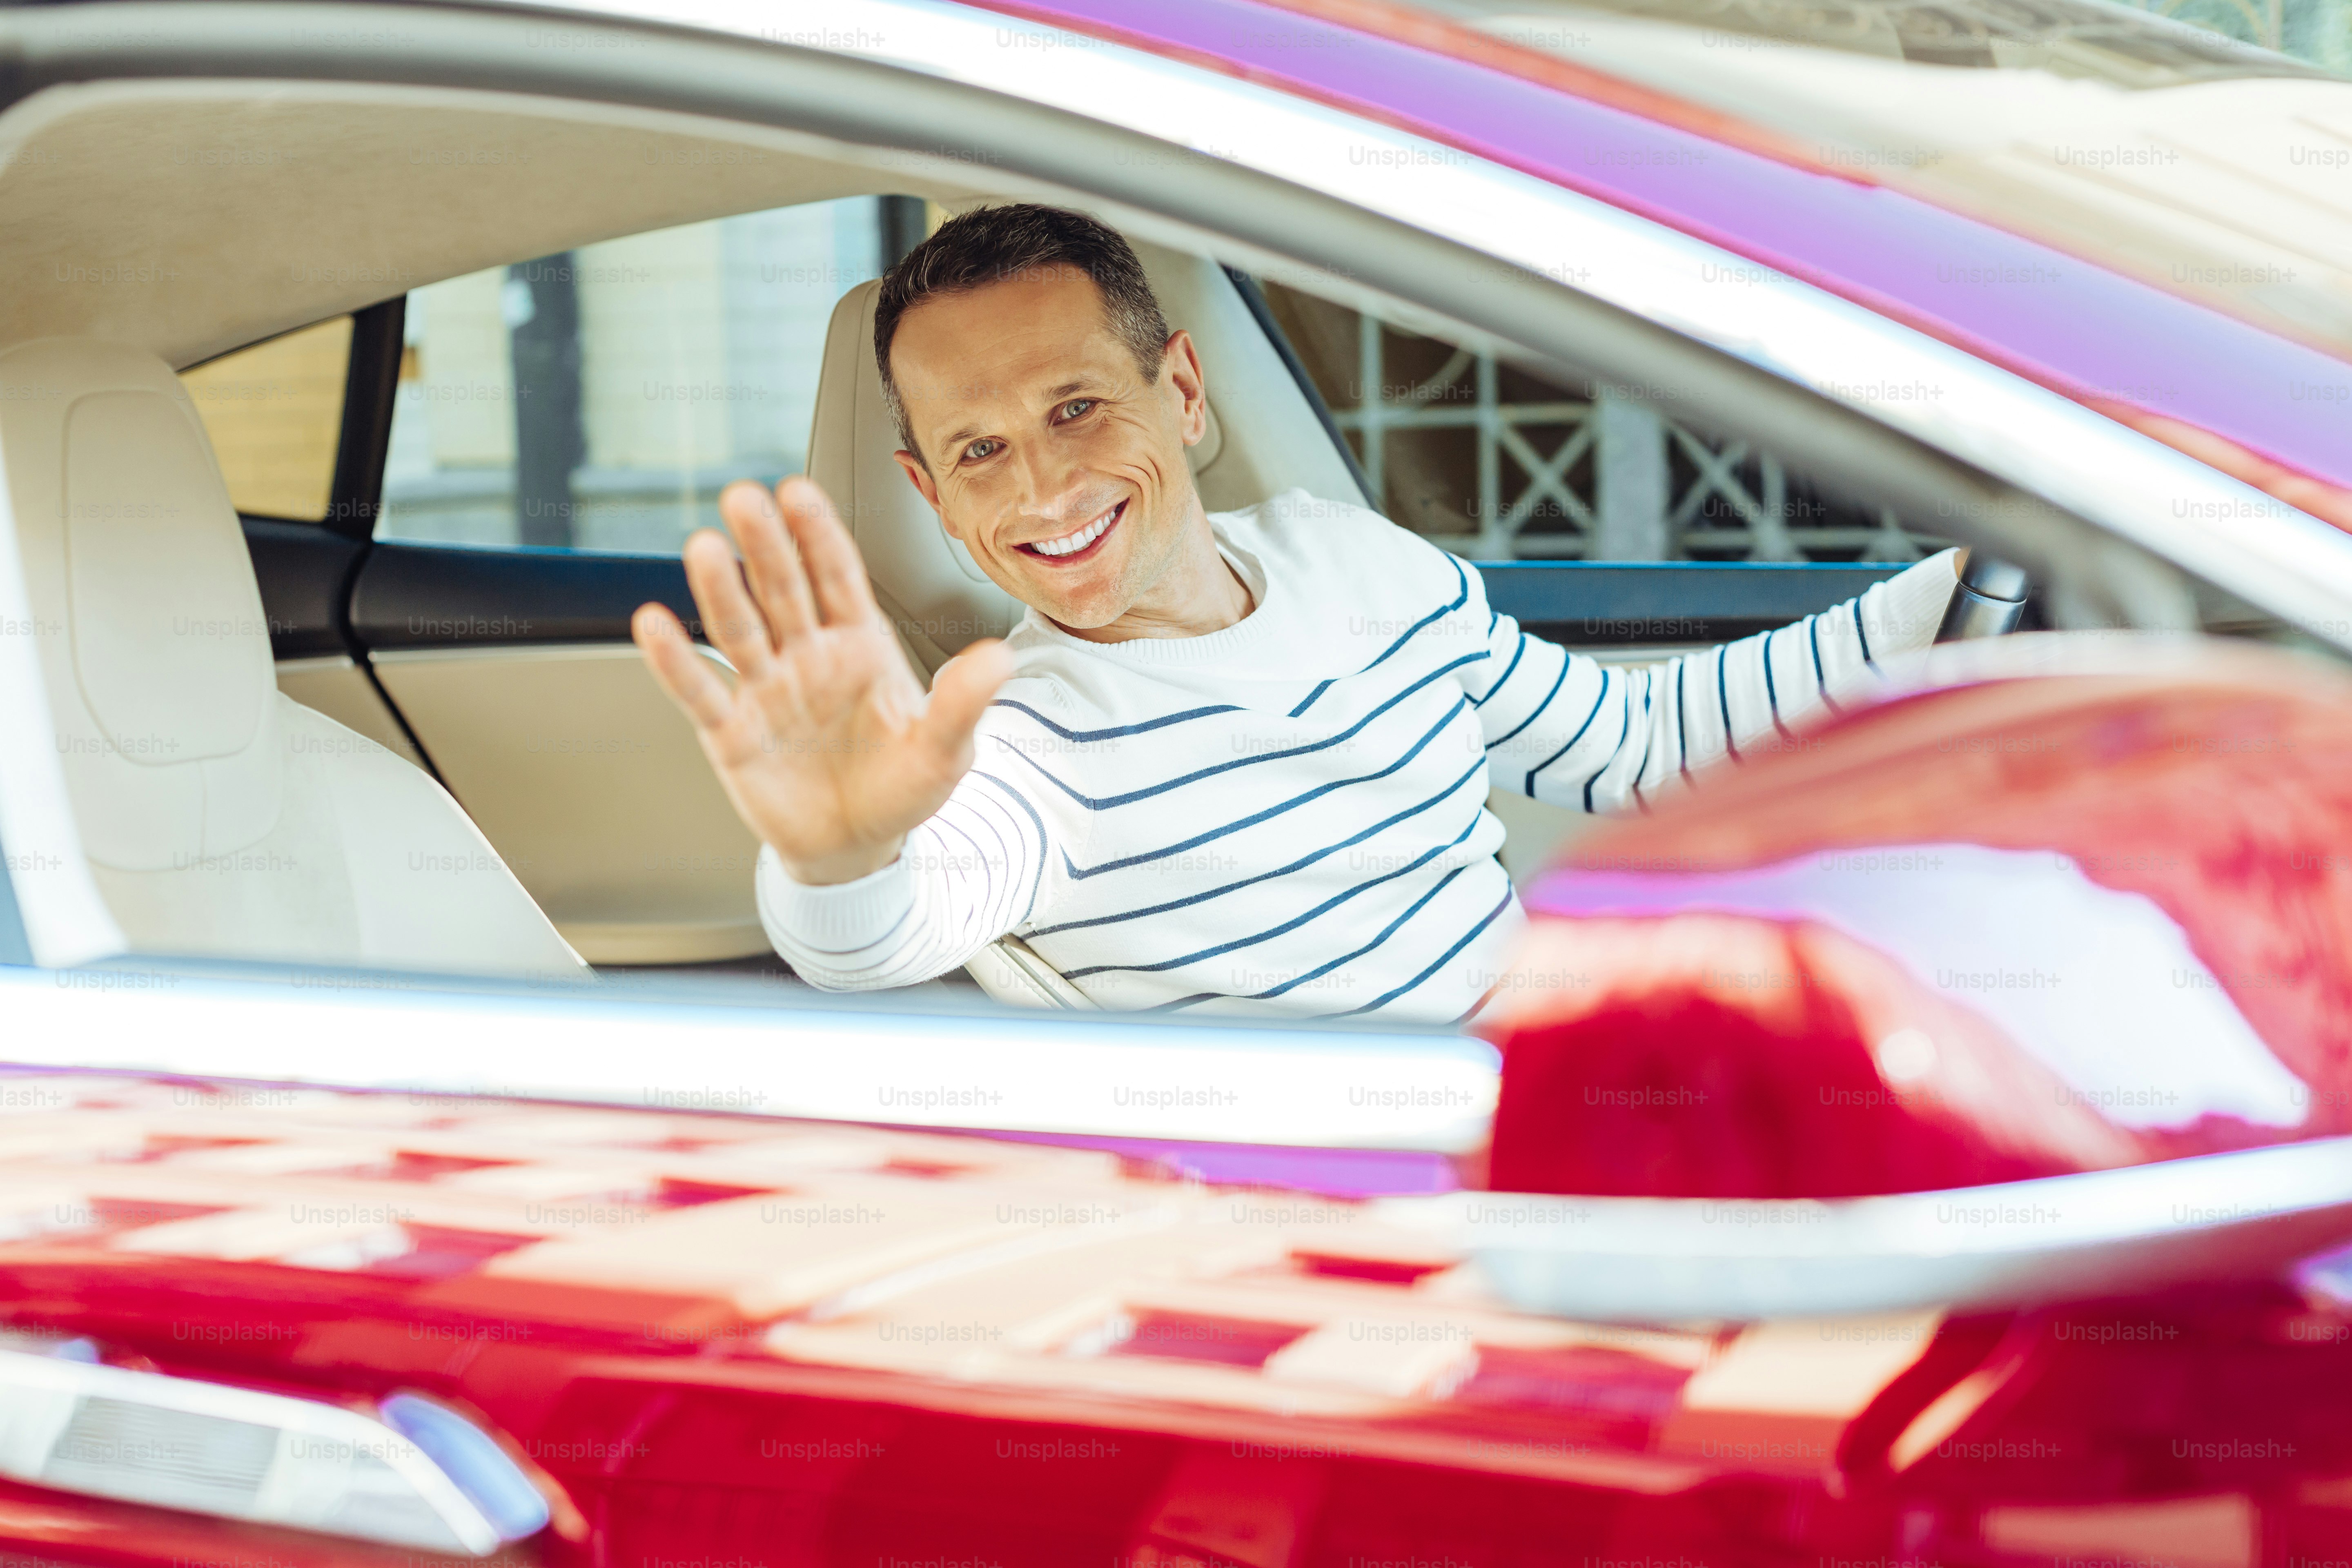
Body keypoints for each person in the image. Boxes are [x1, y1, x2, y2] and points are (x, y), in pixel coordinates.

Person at [633, 203, 1959, 1025]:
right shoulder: (1015, 746)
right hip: (1345, 1231)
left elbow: (1635, 746)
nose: (1042, 487)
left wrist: (1956, 594)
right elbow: (882, 937)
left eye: (1076, 408)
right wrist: (838, 855)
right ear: (930, 493)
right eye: (979, 452)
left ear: (1182, 393)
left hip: (1556, 1112)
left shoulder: (1356, 562)